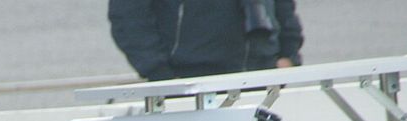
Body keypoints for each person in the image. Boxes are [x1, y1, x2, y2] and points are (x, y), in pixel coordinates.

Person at [108, 0, 304, 81]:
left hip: (262, 76)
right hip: (189, 83)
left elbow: (283, 7)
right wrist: (160, 73)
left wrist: (288, 56)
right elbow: (129, 17)